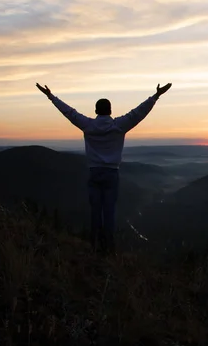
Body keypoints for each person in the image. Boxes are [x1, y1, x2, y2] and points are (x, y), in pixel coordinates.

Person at [36, 82, 173, 254]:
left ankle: (94, 245)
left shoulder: (88, 125)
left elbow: (69, 112)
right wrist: (155, 96)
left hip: (94, 173)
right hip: (111, 174)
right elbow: (138, 113)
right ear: (110, 110)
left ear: (96, 111)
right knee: (109, 211)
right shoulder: (119, 125)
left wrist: (51, 96)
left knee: (95, 211)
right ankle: (109, 248)